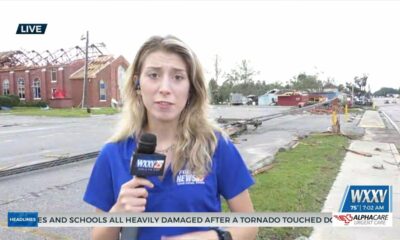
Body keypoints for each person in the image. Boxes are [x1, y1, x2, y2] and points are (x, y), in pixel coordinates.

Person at [83, 35, 258, 240]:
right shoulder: (112, 153)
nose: (165, 88)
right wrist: (117, 213)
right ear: (137, 84)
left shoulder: (216, 146)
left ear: (191, 88)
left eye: (177, 77)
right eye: (154, 75)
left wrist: (211, 238)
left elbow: (250, 227)